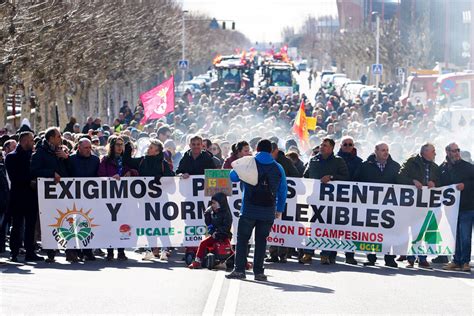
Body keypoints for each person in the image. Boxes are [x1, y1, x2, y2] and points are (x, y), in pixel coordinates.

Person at [226, 139, 287, 281]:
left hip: (249, 209)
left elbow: (233, 177)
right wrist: (279, 209)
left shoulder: (249, 162)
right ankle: (258, 272)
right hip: (267, 211)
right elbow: (283, 190)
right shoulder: (278, 167)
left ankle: (239, 270)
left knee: (242, 240)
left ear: (257, 148)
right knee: (261, 241)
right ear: (271, 150)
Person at [123, 138, 175, 260]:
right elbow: (127, 161)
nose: (148, 149)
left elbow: (171, 178)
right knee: (148, 224)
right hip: (145, 199)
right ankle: (153, 249)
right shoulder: (142, 160)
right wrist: (128, 147)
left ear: (157, 151)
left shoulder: (163, 164)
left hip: (160, 200)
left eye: (151, 147)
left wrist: (159, 178)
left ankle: (165, 249)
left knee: (162, 224)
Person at [301, 138, 349, 265]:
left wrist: (332, 178)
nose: (322, 147)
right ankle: (308, 253)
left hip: (331, 201)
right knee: (313, 227)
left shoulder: (338, 161)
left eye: (325, 145)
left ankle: (325, 254)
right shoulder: (313, 160)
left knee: (328, 228)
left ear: (332, 148)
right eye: (321, 145)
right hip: (315, 200)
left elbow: (346, 177)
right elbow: (306, 177)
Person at [354, 142, 400, 267]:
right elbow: (356, 182)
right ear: (376, 151)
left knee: (389, 232)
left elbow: (401, 184)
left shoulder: (395, 167)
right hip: (370, 206)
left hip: (388, 206)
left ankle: (389, 258)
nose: (386, 152)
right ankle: (371, 257)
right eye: (382, 150)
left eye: (387, 150)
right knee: (370, 232)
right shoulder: (365, 166)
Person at [30, 127, 70, 263]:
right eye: (58, 136)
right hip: (47, 195)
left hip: (63, 193)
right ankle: (50, 251)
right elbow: (34, 170)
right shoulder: (40, 153)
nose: (61, 138)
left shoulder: (60, 152)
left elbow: (69, 171)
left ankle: (69, 249)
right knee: (50, 222)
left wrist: (66, 158)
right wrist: (51, 173)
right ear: (51, 138)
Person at [398, 142, 440, 269]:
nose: (435, 153)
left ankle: (421, 258)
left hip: (427, 203)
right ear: (424, 152)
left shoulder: (435, 167)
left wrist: (435, 182)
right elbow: (400, 177)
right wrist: (412, 181)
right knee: (415, 230)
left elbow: (441, 181)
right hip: (412, 203)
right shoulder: (411, 162)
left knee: (423, 230)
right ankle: (412, 257)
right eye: (433, 151)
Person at [4, 132, 44, 262]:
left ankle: (30, 252)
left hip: (31, 196)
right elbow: (15, 177)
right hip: (18, 196)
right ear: (25, 141)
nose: (33, 143)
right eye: (32, 140)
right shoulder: (12, 157)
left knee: (31, 226)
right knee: (17, 225)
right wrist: (30, 181)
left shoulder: (33, 156)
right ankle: (14, 252)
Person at [98, 136, 137, 261]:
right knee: (110, 223)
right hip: (110, 196)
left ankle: (121, 251)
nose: (120, 147)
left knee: (122, 223)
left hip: (124, 197)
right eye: (117, 144)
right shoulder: (105, 160)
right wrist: (111, 177)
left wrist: (131, 171)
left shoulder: (126, 160)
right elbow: (100, 175)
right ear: (112, 146)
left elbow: (137, 171)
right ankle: (110, 251)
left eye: (122, 144)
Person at [441, 143, 474, 272]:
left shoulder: (468, 167)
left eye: (458, 150)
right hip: (451, 209)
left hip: (467, 207)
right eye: (454, 151)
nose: (456, 153)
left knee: (465, 236)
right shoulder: (443, 168)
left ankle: (465, 261)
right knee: (454, 236)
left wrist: (465, 185)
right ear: (447, 152)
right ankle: (456, 260)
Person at [266, 142, 299, 263]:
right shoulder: (267, 162)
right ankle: (273, 253)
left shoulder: (285, 161)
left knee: (283, 227)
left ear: (274, 151)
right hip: (271, 198)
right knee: (272, 227)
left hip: (286, 198)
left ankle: (283, 254)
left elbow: (296, 176)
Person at [68, 138, 100, 261]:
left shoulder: (95, 160)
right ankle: (73, 250)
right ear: (79, 148)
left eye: (89, 148)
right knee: (73, 225)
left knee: (88, 224)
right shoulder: (70, 159)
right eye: (86, 148)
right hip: (73, 197)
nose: (88, 150)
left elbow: (98, 176)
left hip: (89, 198)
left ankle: (87, 250)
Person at [188, 192, 233, 269]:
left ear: (220, 203)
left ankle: (244, 263)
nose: (212, 205)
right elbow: (209, 225)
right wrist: (207, 214)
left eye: (214, 203)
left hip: (224, 235)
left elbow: (226, 227)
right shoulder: (213, 213)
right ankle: (197, 261)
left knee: (230, 250)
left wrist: (218, 232)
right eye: (212, 203)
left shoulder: (227, 214)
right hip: (214, 235)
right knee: (203, 243)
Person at [337, 136, 363, 265]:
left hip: (353, 198)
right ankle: (331, 254)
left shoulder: (359, 162)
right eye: (345, 144)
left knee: (350, 229)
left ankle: (349, 254)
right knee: (333, 227)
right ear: (340, 145)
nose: (348, 147)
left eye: (350, 144)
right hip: (335, 198)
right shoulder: (334, 159)